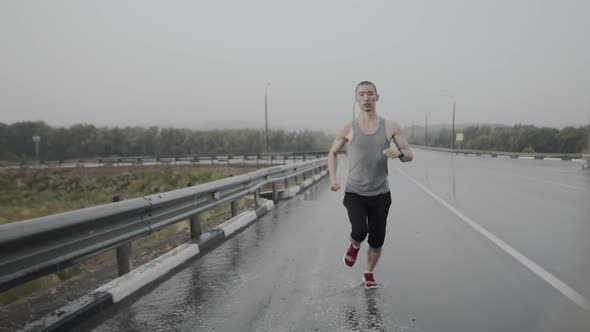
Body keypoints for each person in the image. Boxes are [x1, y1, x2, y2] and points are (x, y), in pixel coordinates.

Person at [328, 81, 413, 289]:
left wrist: (399, 153)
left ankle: (368, 272)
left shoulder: (390, 126)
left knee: (377, 240)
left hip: (381, 195)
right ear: (356, 98)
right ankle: (354, 243)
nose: (366, 98)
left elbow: (409, 154)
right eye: (361, 94)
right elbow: (332, 153)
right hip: (355, 192)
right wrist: (333, 179)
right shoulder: (348, 127)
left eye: (370, 94)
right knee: (359, 230)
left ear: (377, 97)